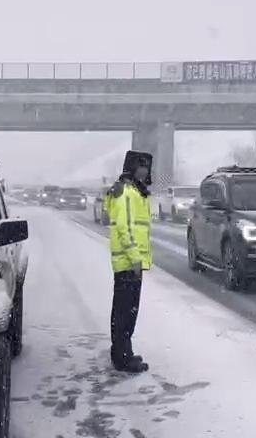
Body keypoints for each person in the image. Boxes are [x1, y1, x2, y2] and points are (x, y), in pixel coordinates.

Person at [107, 150, 153, 373]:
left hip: (132, 263)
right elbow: (124, 228)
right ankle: (123, 358)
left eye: (146, 167)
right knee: (125, 313)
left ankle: (123, 352)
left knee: (126, 312)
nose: (144, 171)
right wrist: (135, 258)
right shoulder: (126, 192)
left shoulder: (135, 191)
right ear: (132, 167)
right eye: (141, 166)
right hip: (128, 263)